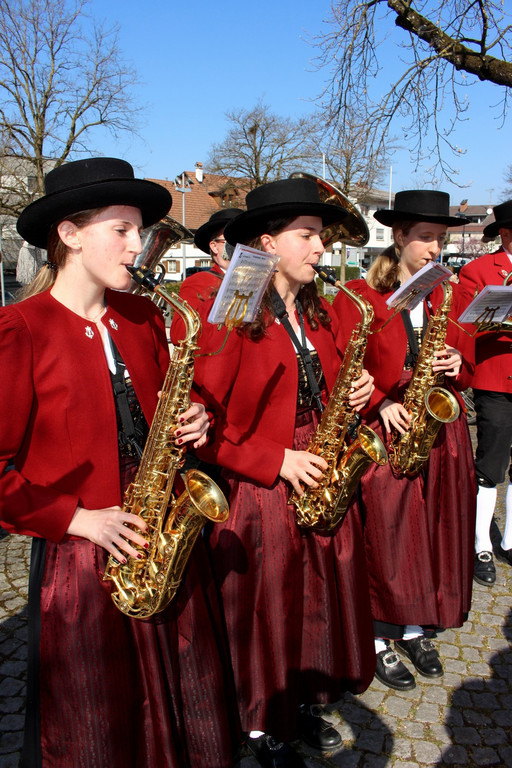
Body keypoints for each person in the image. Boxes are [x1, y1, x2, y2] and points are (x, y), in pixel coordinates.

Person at [0, 157, 239, 768]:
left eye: (141, 232)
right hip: (81, 556)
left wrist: (197, 421)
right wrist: (80, 521)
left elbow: (172, 403)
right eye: (122, 230)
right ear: (70, 234)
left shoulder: (142, 314)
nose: (140, 246)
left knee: (181, 695)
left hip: (158, 528)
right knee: (97, 720)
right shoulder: (20, 330)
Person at [190, 177, 376, 768]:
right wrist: (277, 460)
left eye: (319, 236)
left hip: (317, 465)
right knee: (266, 607)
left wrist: (360, 394)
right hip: (263, 485)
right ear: (268, 243)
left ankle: (299, 702)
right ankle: (256, 728)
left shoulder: (318, 312)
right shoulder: (233, 314)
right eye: (309, 236)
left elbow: (329, 388)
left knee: (315, 595)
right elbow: (205, 428)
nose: (321, 249)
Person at [332, 190, 476, 692]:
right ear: (398, 237)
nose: (435, 249)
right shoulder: (361, 295)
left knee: (433, 530)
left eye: (440, 239)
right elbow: (345, 367)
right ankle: (377, 638)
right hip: (388, 429)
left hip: (440, 428)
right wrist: (380, 404)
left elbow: (467, 353)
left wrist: (459, 365)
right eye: (426, 239)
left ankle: (417, 626)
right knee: (390, 534)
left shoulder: (445, 292)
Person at [458, 199, 512, 586]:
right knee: (490, 466)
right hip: (495, 380)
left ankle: (510, 540)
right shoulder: (477, 270)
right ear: (506, 234)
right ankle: (482, 545)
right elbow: (465, 327)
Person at [178, 207, 243, 308]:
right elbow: (184, 323)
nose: (240, 247)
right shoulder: (198, 283)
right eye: (231, 241)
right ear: (214, 246)